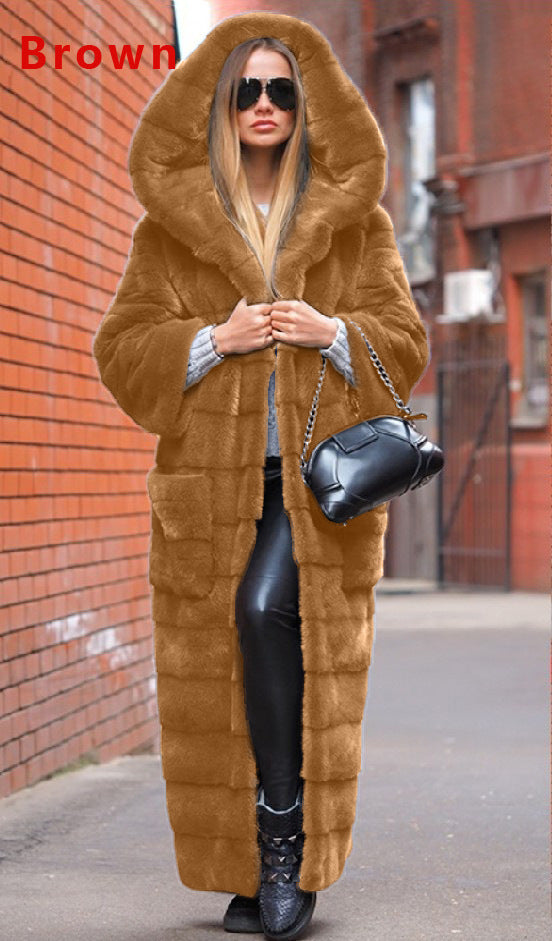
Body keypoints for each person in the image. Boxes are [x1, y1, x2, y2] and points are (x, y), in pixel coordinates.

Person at [92, 12, 430, 941]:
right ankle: (249, 868)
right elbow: (119, 350)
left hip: (319, 491)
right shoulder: (172, 233)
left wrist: (335, 332)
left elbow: (407, 342)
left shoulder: (356, 225)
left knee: (261, 612)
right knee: (233, 663)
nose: (267, 104)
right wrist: (213, 340)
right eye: (249, 89)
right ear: (221, 106)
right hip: (209, 491)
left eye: (284, 89)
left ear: (306, 104)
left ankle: (284, 848)